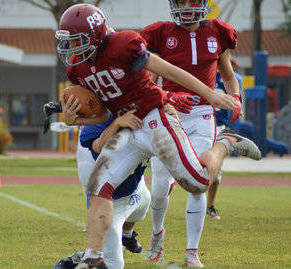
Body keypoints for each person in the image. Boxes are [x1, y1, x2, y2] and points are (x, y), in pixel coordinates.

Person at [55, 4, 260, 268]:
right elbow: (103, 112)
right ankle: (94, 257)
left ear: (95, 35)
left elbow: (168, 71)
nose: (71, 47)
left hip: (154, 118)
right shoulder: (77, 69)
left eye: (77, 40)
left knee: (197, 183)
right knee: (97, 185)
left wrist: (210, 95)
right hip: (128, 126)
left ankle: (225, 144)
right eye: (68, 41)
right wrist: (74, 120)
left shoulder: (123, 44)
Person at [140, 0, 258, 266]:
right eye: (180, 1)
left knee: (200, 180)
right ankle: (157, 232)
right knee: (159, 186)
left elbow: (228, 77)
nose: (185, 6)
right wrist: (167, 98)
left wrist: (236, 98)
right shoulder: (160, 33)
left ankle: (192, 251)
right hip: (169, 113)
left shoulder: (218, 31)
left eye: (191, 0)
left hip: (203, 114)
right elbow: (149, 82)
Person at [55, 110, 151, 269]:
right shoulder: (94, 123)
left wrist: (171, 111)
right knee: (114, 265)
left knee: (145, 205)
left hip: (138, 190)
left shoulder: (148, 110)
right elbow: (98, 149)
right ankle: (82, 259)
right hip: (113, 203)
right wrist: (117, 124)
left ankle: (126, 235)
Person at [207, 67, 243, 219]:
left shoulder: (233, 78)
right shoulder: (203, 71)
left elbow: (235, 99)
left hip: (220, 126)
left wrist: (236, 106)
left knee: (216, 173)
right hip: (200, 123)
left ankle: (209, 206)